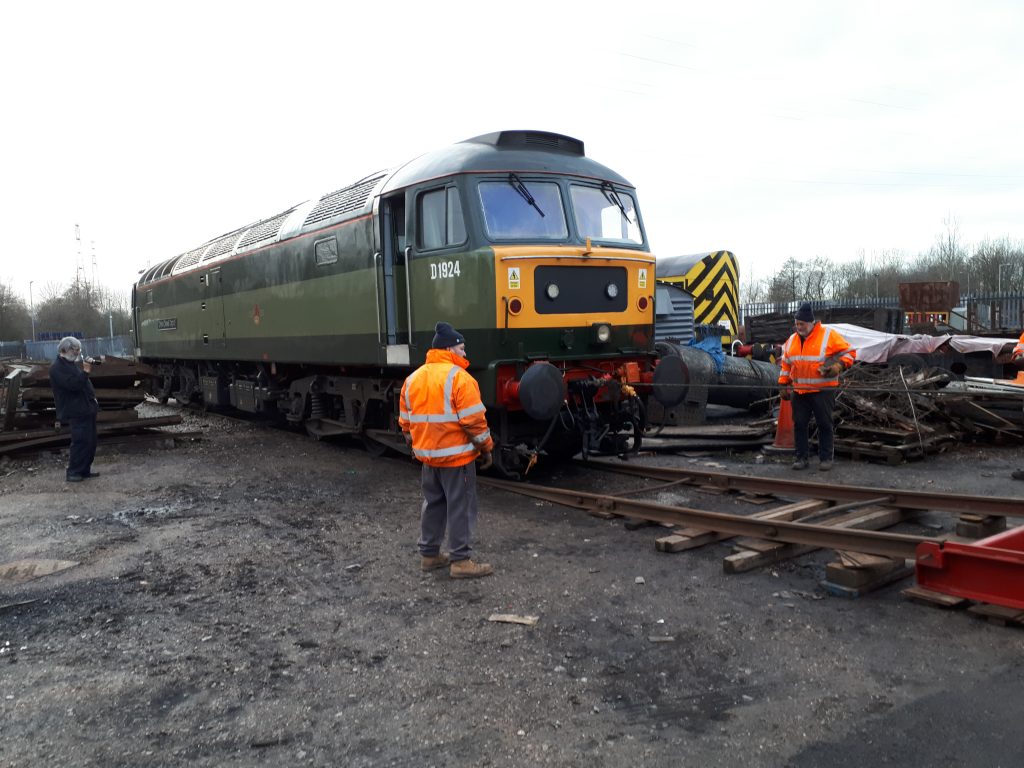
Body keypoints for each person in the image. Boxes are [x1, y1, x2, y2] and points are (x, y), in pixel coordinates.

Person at [399, 322, 495, 579]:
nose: (465, 354)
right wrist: (486, 448)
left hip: (429, 460)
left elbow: (405, 422)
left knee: (433, 504)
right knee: (460, 506)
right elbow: (475, 422)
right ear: (449, 349)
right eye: (462, 349)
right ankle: (461, 561)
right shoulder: (460, 379)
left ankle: (429, 555)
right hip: (457, 459)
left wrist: (416, 444)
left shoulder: (413, 379)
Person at [778, 303, 856, 472]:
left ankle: (826, 459)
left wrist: (839, 366)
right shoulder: (792, 340)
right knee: (799, 424)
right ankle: (801, 458)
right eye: (797, 324)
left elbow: (850, 352)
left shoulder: (828, 335)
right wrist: (783, 384)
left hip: (823, 390)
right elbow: (786, 363)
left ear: (811, 323)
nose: (799, 328)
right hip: (800, 391)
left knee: (824, 424)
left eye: (802, 324)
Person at [49, 337, 100, 482]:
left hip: (86, 409)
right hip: (75, 410)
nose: (77, 353)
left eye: (79, 350)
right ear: (64, 350)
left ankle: (84, 470)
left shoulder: (70, 364)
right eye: (74, 350)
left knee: (90, 441)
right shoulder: (57, 368)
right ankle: (74, 472)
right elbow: (73, 385)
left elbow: (82, 384)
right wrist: (85, 372)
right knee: (80, 442)